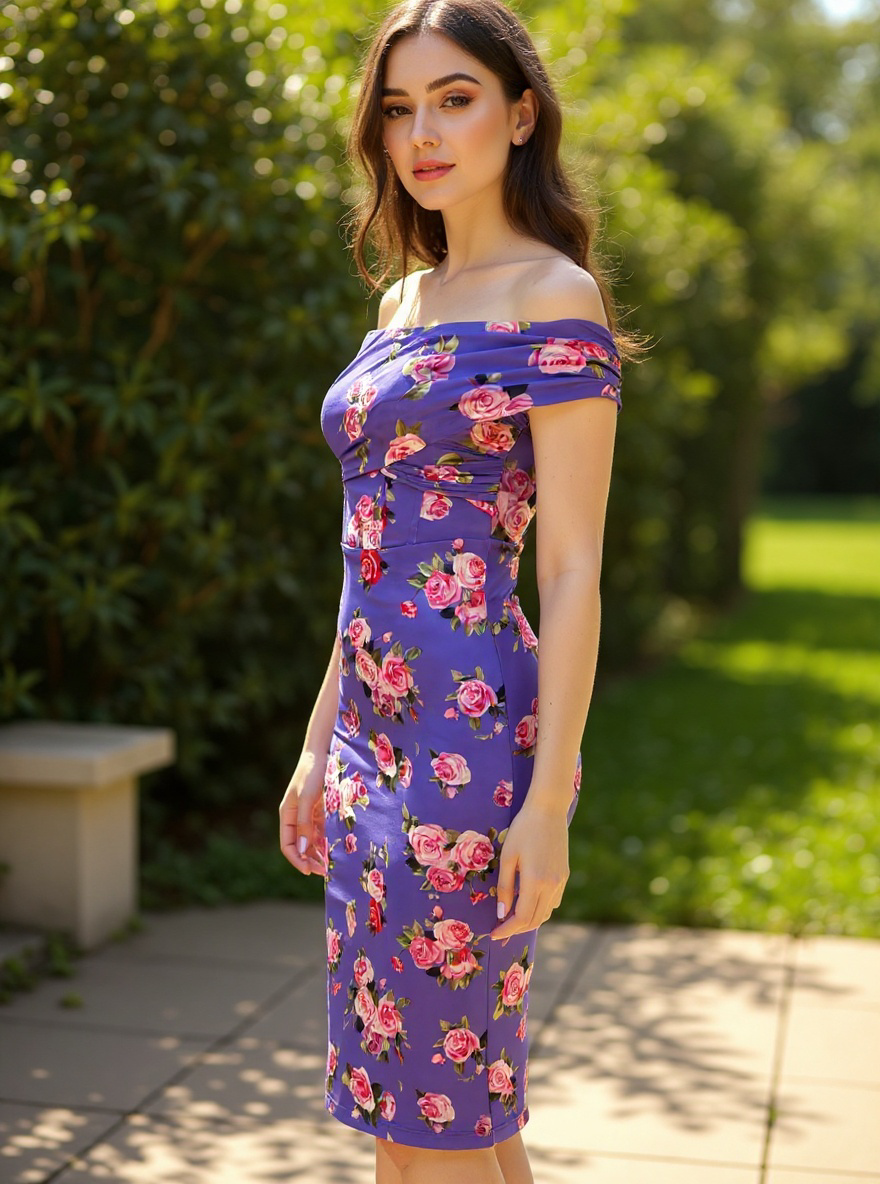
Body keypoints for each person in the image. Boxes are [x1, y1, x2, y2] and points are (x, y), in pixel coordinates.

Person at [279, 1, 644, 1180]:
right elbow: (371, 555)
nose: (421, 133)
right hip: (369, 740)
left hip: (473, 742)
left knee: (418, 1126)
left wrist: (547, 803)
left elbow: (575, 562)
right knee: (455, 1105)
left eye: (454, 98)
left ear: (519, 112)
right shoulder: (398, 305)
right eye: (398, 107)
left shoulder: (553, 295)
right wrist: (315, 740)